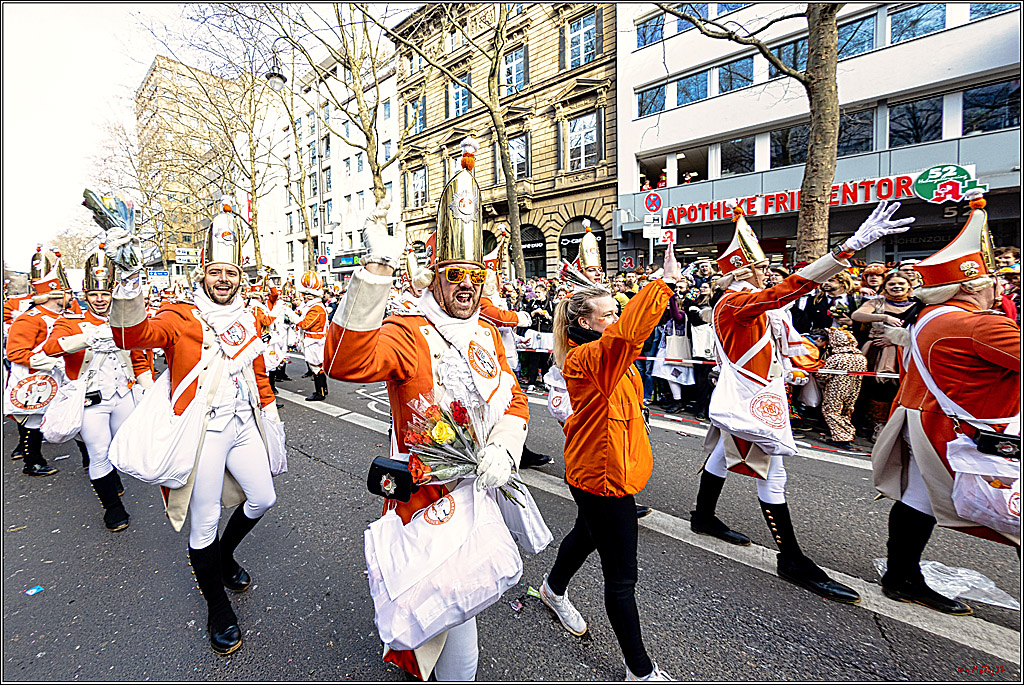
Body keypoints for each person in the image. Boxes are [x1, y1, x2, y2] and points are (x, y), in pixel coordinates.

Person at [325, 139, 530, 681]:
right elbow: (344, 361)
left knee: (455, 623)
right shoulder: (410, 331)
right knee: (447, 648)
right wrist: (373, 270)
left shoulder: (487, 330)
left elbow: (513, 395)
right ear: (434, 276)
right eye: (455, 276)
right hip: (425, 497)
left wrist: (506, 451)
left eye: (476, 277)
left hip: (480, 493)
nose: (466, 286)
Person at [690, 200, 914, 604]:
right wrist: (847, 248)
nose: (769, 272)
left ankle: (703, 517)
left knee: (722, 458)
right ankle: (791, 558)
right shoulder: (739, 303)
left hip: (752, 392)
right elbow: (786, 291)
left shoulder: (741, 303)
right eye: (762, 268)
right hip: (751, 399)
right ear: (745, 272)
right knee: (772, 476)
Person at [107, 197, 281, 655]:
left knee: (264, 497)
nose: (224, 280)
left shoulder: (247, 314)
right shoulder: (182, 316)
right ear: (203, 272)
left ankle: (224, 557)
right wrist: (126, 280)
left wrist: (270, 414)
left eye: (232, 273)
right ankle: (217, 609)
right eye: (216, 272)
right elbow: (131, 336)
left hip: (243, 424)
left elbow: (256, 372)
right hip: (203, 433)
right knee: (203, 523)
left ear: (240, 277)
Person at [872, 190, 1019, 615]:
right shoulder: (980, 325)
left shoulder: (931, 317)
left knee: (916, 501)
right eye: (994, 281)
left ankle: (901, 577)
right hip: (965, 430)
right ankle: (901, 576)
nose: (998, 287)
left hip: (927, 424)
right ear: (978, 284)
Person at [539, 245, 679, 682]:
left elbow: (626, 339)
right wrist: (661, 286)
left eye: (617, 311)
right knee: (622, 580)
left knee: (586, 535)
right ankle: (640, 672)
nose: (615, 318)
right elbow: (627, 337)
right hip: (601, 477)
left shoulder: (603, 351)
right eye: (607, 313)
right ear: (584, 323)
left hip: (606, 466)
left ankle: (552, 588)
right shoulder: (587, 357)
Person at [41, 246, 153, 531]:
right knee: (99, 451)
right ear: (86, 295)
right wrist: (85, 338)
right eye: (94, 294)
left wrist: (149, 391)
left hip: (124, 393)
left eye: (104, 293)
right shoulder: (71, 321)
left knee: (132, 444)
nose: (100, 299)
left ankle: (112, 475)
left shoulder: (124, 321)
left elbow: (138, 358)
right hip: (92, 399)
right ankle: (113, 509)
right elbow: (51, 348)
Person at [4, 246, 71, 477]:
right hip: (36, 381)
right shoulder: (30, 319)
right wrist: (50, 362)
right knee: (32, 423)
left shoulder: (62, 317)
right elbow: (15, 352)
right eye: (67, 292)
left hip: (56, 378)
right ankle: (32, 462)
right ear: (56, 294)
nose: (71, 297)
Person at [851, 271, 916, 440]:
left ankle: (899, 426)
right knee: (877, 388)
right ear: (885, 286)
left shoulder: (918, 304)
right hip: (878, 351)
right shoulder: (877, 302)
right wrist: (884, 317)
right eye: (892, 284)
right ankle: (878, 424)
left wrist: (895, 338)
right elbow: (856, 315)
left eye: (901, 284)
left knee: (901, 388)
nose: (897, 287)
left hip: (906, 352)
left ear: (909, 286)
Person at [818, 328, 867, 449]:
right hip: (854, 388)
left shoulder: (837, 357)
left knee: (831, 411)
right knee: (846, 412)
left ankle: (842, 438)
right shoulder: (861, 358)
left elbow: (823, 374)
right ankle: (848, 433)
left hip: (837, 388)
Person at [294, 273, 329, 401]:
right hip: (314, 340)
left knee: (316, 367)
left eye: (305, 296)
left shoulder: (316, 308)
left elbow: (304, 324)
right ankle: (323, 390)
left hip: (314, 341)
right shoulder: (314, 306)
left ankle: (320, 393)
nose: (303, 298)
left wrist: (292, 317)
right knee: (317, 366)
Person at [794, 270, 858, 332]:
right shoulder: (814, 300)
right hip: (821, 340)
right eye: (824, 281)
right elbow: (805, 323)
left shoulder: (856, 300)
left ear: (842, 283)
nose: (826, 283)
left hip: (848, 338)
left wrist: (852, 324)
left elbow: (864, 326)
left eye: (831, 280)